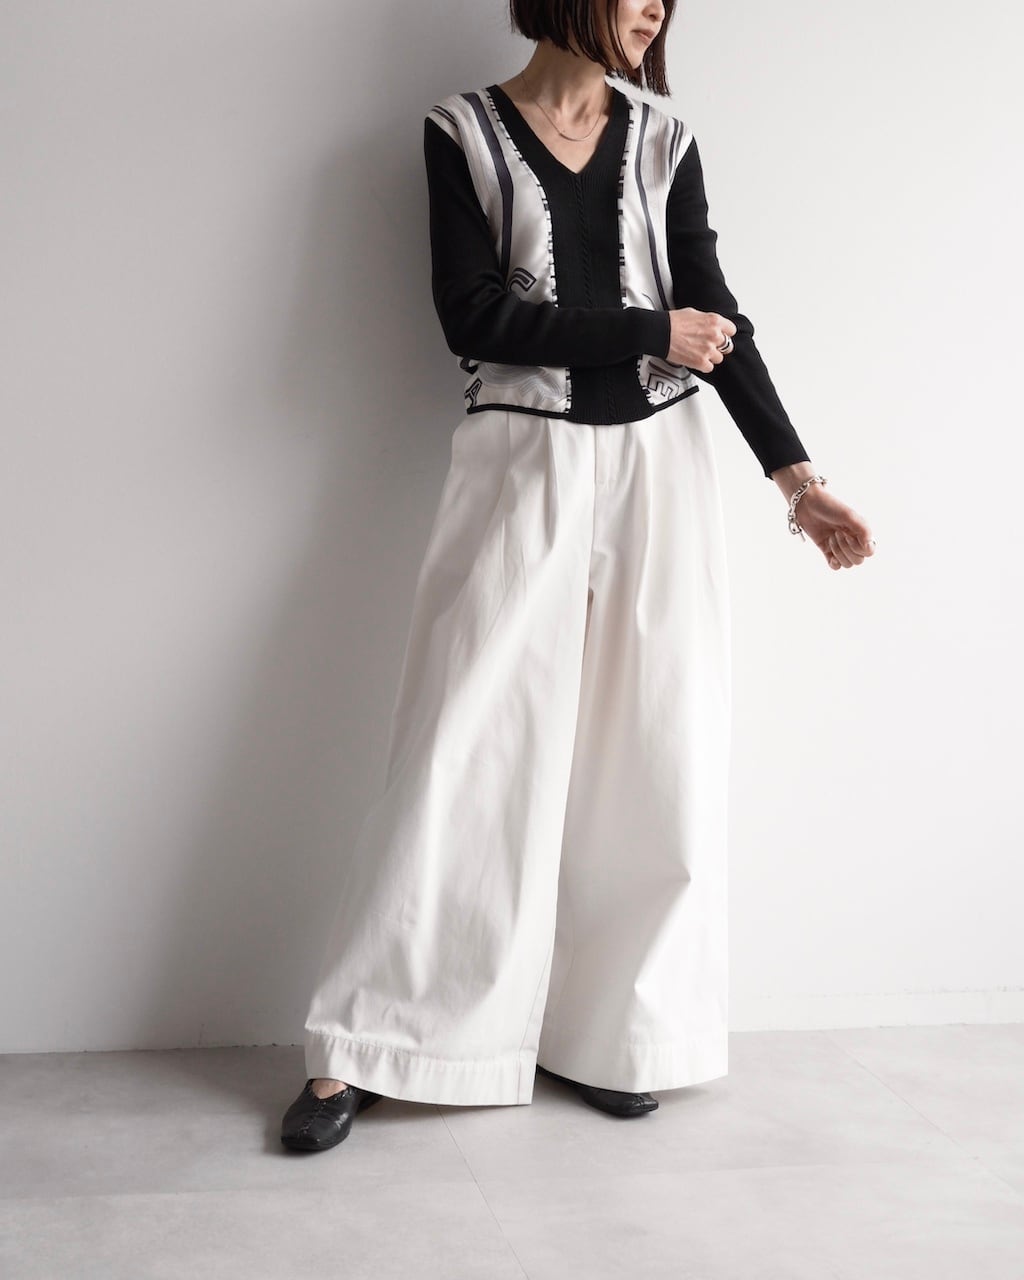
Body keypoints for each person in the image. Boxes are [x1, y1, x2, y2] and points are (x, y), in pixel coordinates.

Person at [280, 0, 875, 1154]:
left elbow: (719, 322)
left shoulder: (666, 140)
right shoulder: (460, 131)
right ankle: (371, 1043)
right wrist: (651, 329)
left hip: (662, 464)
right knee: (462, 746)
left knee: (654, 746)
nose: (654, 5)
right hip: (521, 459)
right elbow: (474, 317)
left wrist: (796, 479)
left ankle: (617, 1036)